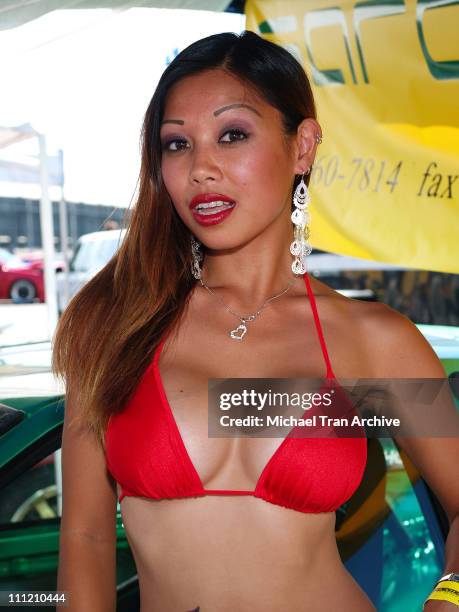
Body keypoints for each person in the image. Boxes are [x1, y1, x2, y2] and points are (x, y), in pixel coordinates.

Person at [53, 30, 459, 612]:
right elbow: (86, 537)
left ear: (303, 147)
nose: (201, 168)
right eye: (176, 144)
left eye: (233, 134)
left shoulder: (373, 344)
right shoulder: (116, 325)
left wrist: (448, 600)